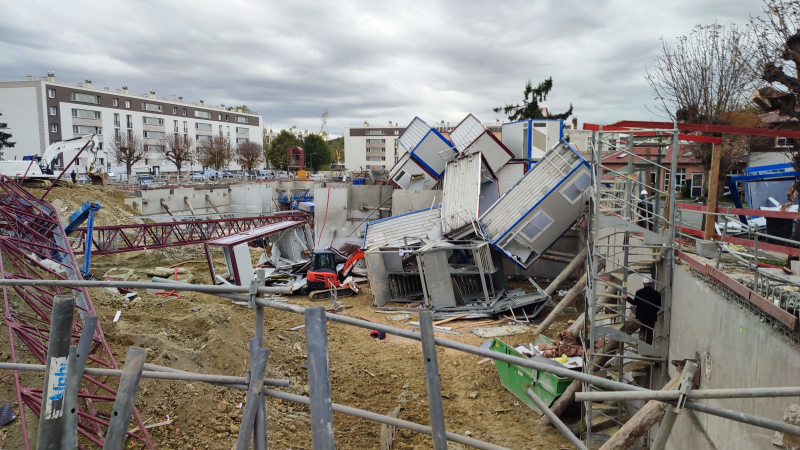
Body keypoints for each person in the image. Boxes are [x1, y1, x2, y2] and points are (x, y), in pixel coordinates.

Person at [622, 277, 661, 345]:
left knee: (642, 328)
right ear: (651, 283)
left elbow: (634, 302)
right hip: (652, 316)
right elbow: (658, 307)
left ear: (643, 283)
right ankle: (648, 347)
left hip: (642, 315)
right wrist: (653, 311)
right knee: (650, 332)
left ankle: (640, 344)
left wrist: (627, 298)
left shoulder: (639, 292)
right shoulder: (656, 294)